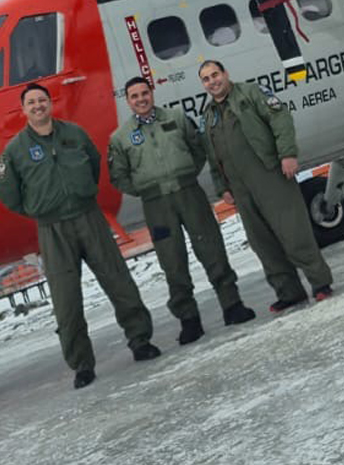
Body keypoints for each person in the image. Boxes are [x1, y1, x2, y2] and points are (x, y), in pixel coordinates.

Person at [0, 83, 160, 389]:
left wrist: (81, 193)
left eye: (42, 100)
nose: (38, 106)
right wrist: (40, 209)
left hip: (89, 219)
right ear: (23, 110)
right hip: (52, 230)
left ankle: (140, 341)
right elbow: (8, 194)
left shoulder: (74, 134)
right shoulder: (15, 150)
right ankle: (82, 365)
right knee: (66, 300)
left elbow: (94, 164)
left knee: (118, 280)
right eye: (31, 102)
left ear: (50, 103)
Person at [106, 75, 256, 344]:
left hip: (190, 194)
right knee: (172, 261)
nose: (141, 99)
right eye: (134, 96)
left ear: (151, 93)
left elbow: (198, 149)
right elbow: (118, 176)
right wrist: (145, 187)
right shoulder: (120, 137)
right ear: (128, 101)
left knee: (211, 248)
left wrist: (185, 173)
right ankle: (189, 320)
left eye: (144, 93)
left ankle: (232, 305)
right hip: (157, 205)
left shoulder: (175, 117)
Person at [198, 60, 334, 311]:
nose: (212, 81)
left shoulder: (251, 93)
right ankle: (289, 292)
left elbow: (280, 118)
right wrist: (223, 187)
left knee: (294, 232)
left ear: (226, 74)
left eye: (215, 75)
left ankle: (320, 283)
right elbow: (212, 155)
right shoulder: (208, 116)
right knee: (263, 243)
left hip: (270, 175)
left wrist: (288, 154)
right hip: (240, 188)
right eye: (206, 79)